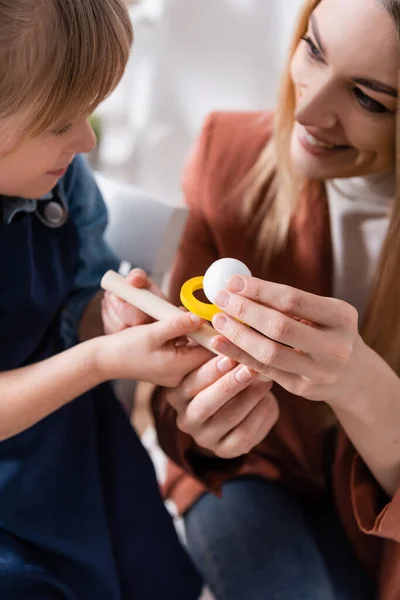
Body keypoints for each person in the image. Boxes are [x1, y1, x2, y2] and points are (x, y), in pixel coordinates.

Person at [111, 0, 400, 597]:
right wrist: (197, 416)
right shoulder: (229, 155)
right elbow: (173, 419)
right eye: (314, 49)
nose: (309, 108)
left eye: (370, 98)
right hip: (252, 478)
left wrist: (361, 385)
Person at [0, 1, 214, 598]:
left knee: (147, 567)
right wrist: (102, 361)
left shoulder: (61, 182)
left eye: (88, 112)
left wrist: (106, 319)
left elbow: (77, 301)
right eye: (60, 121)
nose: (86, 138)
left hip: (74, 447)